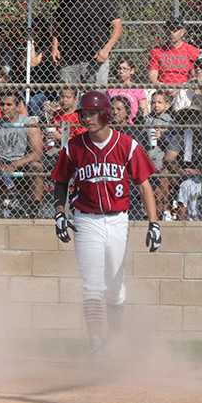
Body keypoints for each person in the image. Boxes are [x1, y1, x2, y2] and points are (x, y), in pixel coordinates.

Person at [51, 91, 160, 355]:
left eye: (91, 113)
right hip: (86, 220)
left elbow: (145, 185)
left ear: (105, 115)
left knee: (116, 288)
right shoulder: (74, 147)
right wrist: (59, 213)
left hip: (117, 221)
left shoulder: (126, 145)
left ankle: (116, 341)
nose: (86, 118)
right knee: (92, 286)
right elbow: (60, 181)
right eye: (84, 114)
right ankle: (97, 346)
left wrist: (154, 223)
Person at [51, 0, 122, 85]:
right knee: (68, 97)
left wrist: (106, 49)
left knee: (96, 97)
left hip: (95, 58)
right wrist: (55, 46)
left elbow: (117, 27)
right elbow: (57, 25)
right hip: (69, 57)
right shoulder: (67, 1)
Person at [148, 16, 200, 86]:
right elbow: (153, 77)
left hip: (184, 88)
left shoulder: (192, 50)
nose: (171, 33)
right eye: (169, 29)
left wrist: (182, 87)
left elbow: (196, 76)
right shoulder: (157, 51)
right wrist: (165, 88)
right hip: (162, 87)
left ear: (183, 32)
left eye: (175, 30)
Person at [107, 57, 148, 122]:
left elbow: (144, 110)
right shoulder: (111, 89)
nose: (121, 71)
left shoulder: (137, 88)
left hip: (132, 125)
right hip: (113, 122)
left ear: (132, 71)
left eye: (124, 69)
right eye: (119, 68)